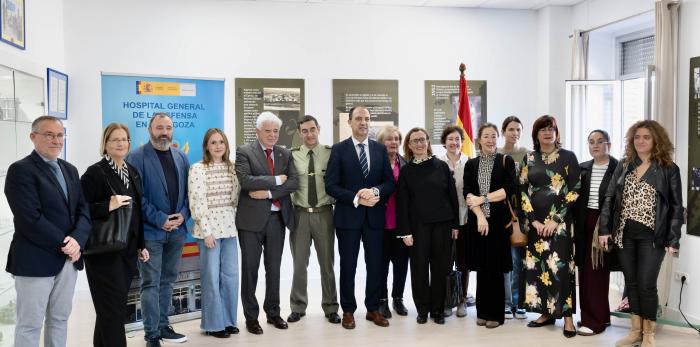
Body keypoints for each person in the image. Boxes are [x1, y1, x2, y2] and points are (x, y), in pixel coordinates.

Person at [4, 115, 91, 347]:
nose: (56, 140)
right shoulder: (20, 170)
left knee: (60, 319)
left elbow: (83, 210)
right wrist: (67, 243)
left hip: (68, 260)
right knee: (30, 325)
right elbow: (29, 218)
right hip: (35, 260)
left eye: (60, 135)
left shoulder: (70, 170)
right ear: (33, 137)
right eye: (49, 135)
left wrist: (77, 241)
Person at [599, 120, 683, 347]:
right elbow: (609, 198)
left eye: (646, 137)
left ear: (656, 140)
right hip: (624, 234)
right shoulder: (625, 164)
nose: (641, 141)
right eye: (637, 137)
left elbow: (676, 206)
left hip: (653, 236)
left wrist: (674, 238)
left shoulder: (668, 168)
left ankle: (649, 334)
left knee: (647, 284)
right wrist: (605, 229)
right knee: (633, 282)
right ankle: (635, 331)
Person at [325, 106, 395, 329]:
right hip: (348, 219)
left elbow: (389, 183)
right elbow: (331, 186)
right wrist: (356, 197)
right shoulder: (338, 150)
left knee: (375, 265)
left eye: (366, 119)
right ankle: (348, 310)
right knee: (349, 266)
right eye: (358, 119)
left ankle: (372, 309)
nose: (363, 122)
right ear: (350, 122)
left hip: (374, 218)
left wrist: (374, 192)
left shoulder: (379, 150)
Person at [81, 123, 150, 347]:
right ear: (105, 144)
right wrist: (106, 205)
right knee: (111, 311)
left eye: (125, 139)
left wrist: (141, 244)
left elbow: (137, 211)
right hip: (104, 252)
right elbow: (79, 210)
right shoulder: (95, 172)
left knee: (111, 309)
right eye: (115, 139)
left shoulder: (132, 172)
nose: (121, 143)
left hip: (127, 250)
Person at [127, 113, 190, 347]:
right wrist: (160, 219)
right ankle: (151, 334)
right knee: (150, 282)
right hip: (151, 232)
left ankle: (164, 326)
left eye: (168, 127)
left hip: (178, 231)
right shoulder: (136, 157)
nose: (164, 132)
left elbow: (188, 193)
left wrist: (183, 214)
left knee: (168, 280)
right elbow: (136, 197)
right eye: (159, 127)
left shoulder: (181, 156)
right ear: (149, 129)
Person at [235, 111, 299, 335]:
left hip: (276, 220)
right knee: (250, 270)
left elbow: (293, 182)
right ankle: (251, 318)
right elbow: (245, 180)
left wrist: (269, 193)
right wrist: (274, 180)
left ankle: (273, 312)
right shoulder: (244, 152)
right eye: (268, 131)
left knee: (274, 270)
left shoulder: (284, 153)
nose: (273, 135)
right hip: (250, 222)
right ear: (257, 131)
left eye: (275, 131)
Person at [520, 115, 580, 338]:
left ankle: (567, 318)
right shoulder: (529, 157)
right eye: (542, 129)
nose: (547, 133)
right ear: (536, 134)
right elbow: (522, 190)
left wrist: (556, 220)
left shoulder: (568, 157)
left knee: (560, 269)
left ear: (556, 132)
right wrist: (533, 221)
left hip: (560, 224)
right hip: (535, 223)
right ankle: (545, 313)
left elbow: (575, 188)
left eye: (551, 129)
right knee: (538, 269)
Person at [397, 127, 459, 325]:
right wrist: (405, 232)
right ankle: (422, 309)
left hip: (442, 225)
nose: (419, 144)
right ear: (409, 145)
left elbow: (452, 198)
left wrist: (456, 225)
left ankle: (438, 310)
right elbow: (403, 204)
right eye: (415, 141)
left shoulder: (441, 166)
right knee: (419, 269)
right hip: (418, 228)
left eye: (422, 140)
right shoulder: (406, 171)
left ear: (428, 142)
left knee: (440, 269)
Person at [287, 115, 341, 324]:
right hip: (299, 214)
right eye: (305, 131)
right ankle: (298, 307)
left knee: (327, 264)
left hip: (324, 214)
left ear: (319, 129)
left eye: (312, 129)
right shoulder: (291, 156)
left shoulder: (330, 154)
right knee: (299, 264)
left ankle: (330, 307)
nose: (309, 134)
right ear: (300, 133)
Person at [188, 128, 240, 338]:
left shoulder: (232, 168)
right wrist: (208, 232)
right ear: (206, 146)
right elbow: (197, 202)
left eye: (221, 142)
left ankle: (229, 321)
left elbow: (235, 199)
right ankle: (213, 324)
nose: (218, 146)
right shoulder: (197, 169)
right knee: (211, 277)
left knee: (231, 277)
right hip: (208, 231)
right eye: (213, 142)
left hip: (230, 228)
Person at [464, 123, 515, 329]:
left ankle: (496, 314)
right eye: (486, 136)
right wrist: (480, 217)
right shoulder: (471, 164)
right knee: (482, 269)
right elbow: (467, 194)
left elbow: (507, 190)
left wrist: (482, 199)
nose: (491, 140)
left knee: (495, 269)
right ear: (479, 139)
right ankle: (482, 312)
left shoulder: (505, 161)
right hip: (478, 223)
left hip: (499, 223)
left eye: (494, 136)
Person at [572, 130, 619, 336]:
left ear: (609, 144)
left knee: (597, 272)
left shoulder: (618, 168)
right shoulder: (583, 168)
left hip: (604, 226)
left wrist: (608, 227)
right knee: (585, 272)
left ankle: (595, 321)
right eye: (591, 142)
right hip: (584, 224)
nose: (595, 145)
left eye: (600, 142)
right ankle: (598, 315)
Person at [437, 125, 471, 318]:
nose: (454, 142)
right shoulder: (437, 163)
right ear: (444, 142)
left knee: (463, 262)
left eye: (457, 139)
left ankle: (462, 299)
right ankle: (447, 300)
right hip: (444, 221)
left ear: (462, 142)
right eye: (450, 139)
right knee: (444, 261)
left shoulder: (469, 162)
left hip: (465, 218)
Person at [497, 116, 529, 320]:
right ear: (503, 131)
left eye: (518, 129)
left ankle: (519, 302)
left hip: (523, 212)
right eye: (510, 129)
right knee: (505, 259)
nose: (514, 133)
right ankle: (506, 302)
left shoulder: (527, 154)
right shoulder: (497, 154)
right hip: (502, 211)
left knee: (520, 261)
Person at [376, 125, 409, 319]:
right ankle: (382, 301)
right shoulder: (374, 164)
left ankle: (398, 298)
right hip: (379, 223)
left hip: (401, 224)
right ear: (381, 142)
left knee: (401, 264)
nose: (393, 142)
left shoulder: (406, 163)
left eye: (396, 138)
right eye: (389, 139)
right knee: (380, 265)